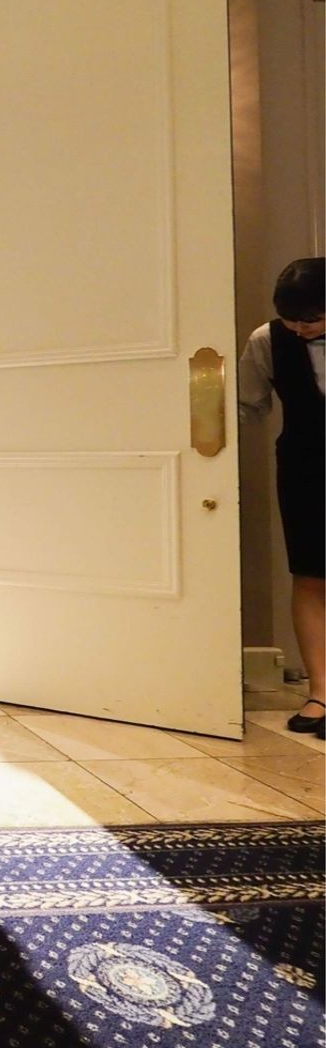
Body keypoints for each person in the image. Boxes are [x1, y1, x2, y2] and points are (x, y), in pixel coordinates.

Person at [238, 256, 324, 738]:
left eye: (311, 319)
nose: (299, 329)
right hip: (306, 465)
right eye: (290, 319)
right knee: (310, 576)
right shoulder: (266, 340)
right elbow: (247, 404)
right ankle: (321, 691)